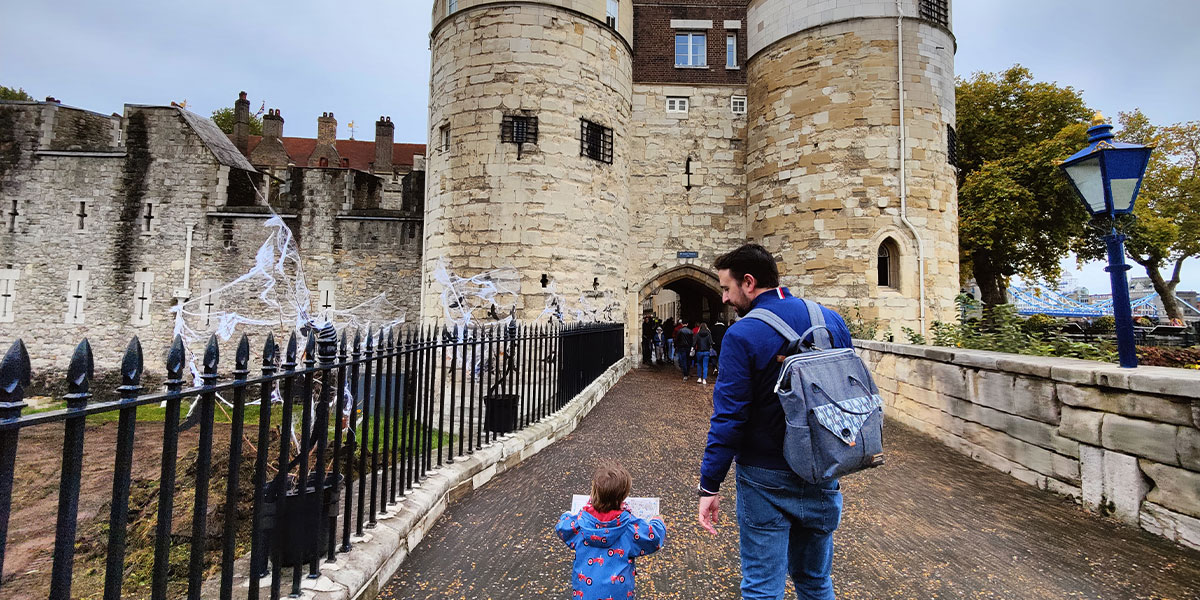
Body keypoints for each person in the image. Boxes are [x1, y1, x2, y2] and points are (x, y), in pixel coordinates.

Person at [697, 243, 854, 600]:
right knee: (815, 582)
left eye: (726, 287)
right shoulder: (830, 320)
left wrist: (710, 485)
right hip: (822, 470)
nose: (723, 298)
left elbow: (729, 417)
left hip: (764, 476)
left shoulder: (742, 334)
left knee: (762, 588)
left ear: (748, 282)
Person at [556, 462, 666, 600]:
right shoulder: (630, 529)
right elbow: (654, 538)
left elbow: (562, 526)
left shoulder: (579, 524)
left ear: (594, 492)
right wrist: (658, 521)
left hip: (584, 595)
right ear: (623, 496)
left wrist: (568, 513)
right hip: (618, 595)